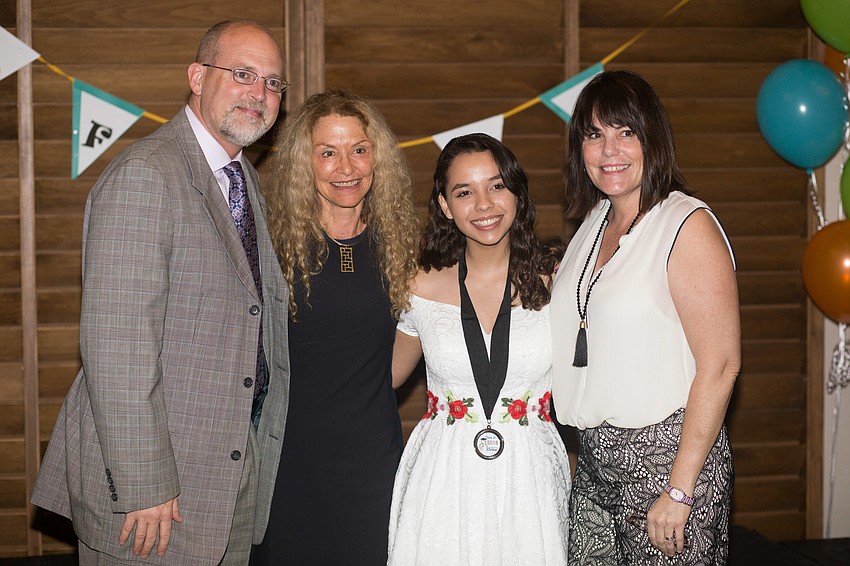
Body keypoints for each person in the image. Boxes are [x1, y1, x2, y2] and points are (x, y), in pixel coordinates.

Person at [30, 20, 291, 564]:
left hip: (227, 475)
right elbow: (116, 345)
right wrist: (144, 483)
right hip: (154, 497)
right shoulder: (147, 173)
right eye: (242, 74)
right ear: (197, 76)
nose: (259, 94)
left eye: (272, 83)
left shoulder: (244, 179)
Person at [550, 70, 740, 565]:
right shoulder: (593, 222)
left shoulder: (686, 224)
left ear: (652, 138)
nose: (609, 150)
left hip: (668, 470)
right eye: (595, 135)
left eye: (625, 132)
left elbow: (720, 364)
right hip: (594, 473)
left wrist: (680, 489)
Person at [249, 90, 419, 565]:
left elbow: (400, 360)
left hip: (374, 462)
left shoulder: (403, 244)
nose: (347, 167)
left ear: (376, 158)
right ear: (304, 162)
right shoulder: (270, 247)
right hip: (288, 463)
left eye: (359, 150)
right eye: (328, 152)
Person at [390, 133, 571, 564]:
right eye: (464, 192)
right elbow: (385, 377)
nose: (484, 204)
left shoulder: (560, 278)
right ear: (445, 206)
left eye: (496, 185)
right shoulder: (417, 286)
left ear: (516, 193)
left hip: (531, 474)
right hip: (443, 474)